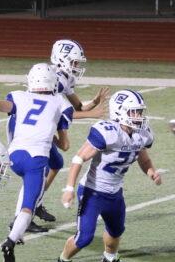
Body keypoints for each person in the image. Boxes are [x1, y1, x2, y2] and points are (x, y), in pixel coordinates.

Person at [55, 90, 161, 262]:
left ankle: (110, 261)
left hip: (114, 192)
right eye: (134, 112)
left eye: (139, 112)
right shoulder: (107, 132)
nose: (138, 116)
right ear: (119, 112)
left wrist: (151, 172)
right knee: (84, 238)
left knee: (116, 230)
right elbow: (78, 159)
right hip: (92, 191)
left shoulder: (141, 134)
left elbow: (143, 158)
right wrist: (69, 189)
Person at [7, 40, 108, 234]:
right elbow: (62, 112)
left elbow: (77, 107)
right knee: (36, 170)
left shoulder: (65, 78)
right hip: (26, 126)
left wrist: (94, 103)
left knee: (56, 163)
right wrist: (92, 114)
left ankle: (35, 203)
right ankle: (21, 217)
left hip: (40, 122)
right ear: (61, 59)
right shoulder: (56, 79)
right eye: (74, 62)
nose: (77, 66)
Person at [0, 63, 73, 262]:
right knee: (29, 206)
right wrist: (50, 132)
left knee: (29, 189)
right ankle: (10, 241)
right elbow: (65, 145)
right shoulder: (60, 102)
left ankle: (16, 231)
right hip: (36, 159)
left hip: (14, 156)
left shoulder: (19, 96)